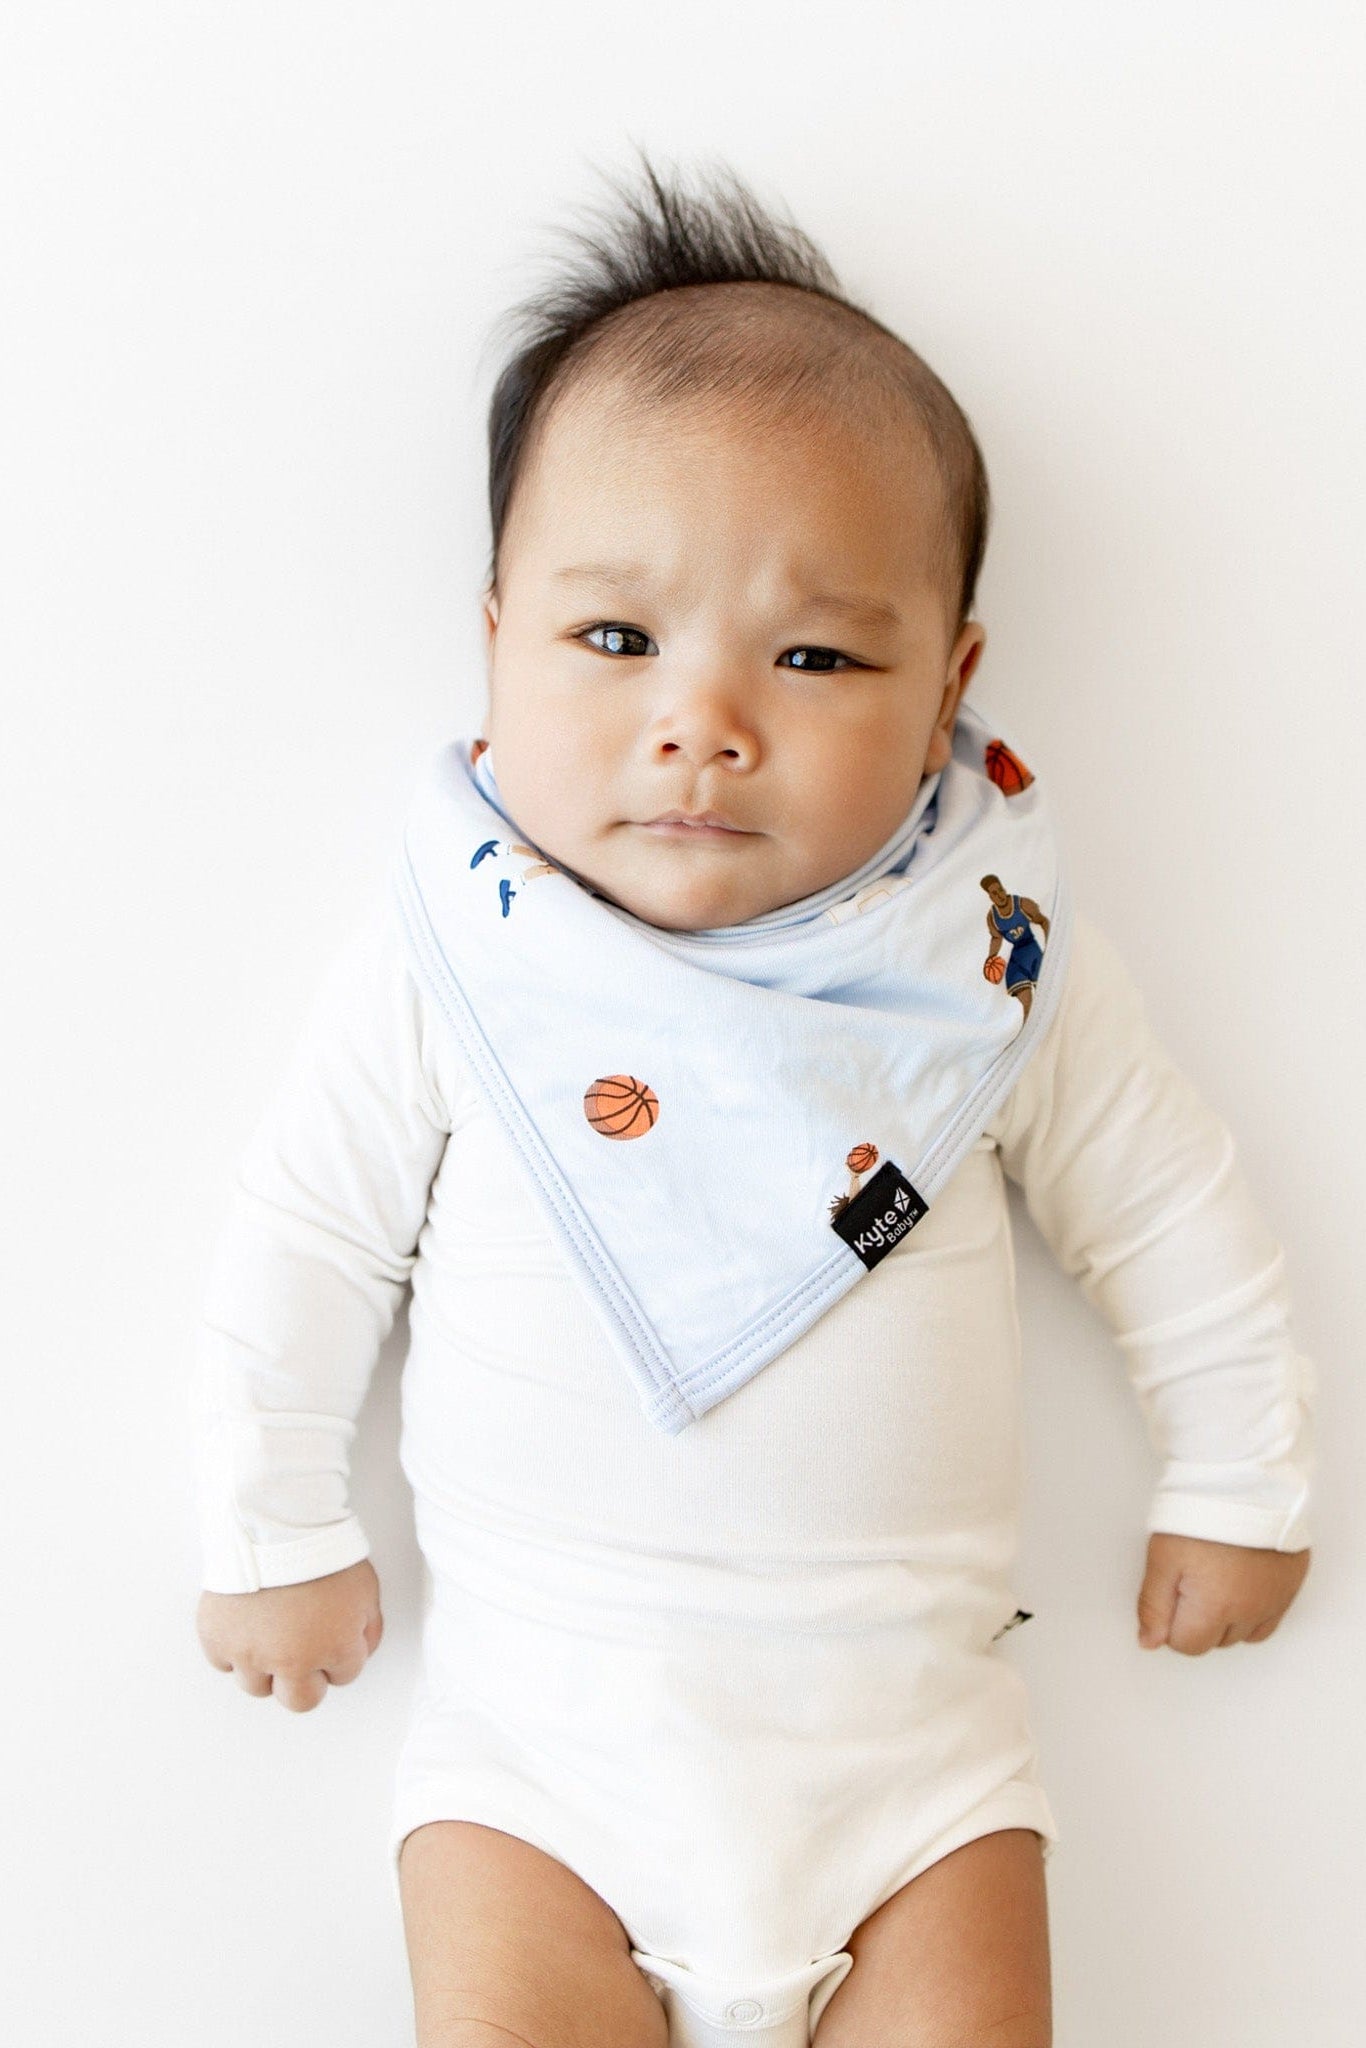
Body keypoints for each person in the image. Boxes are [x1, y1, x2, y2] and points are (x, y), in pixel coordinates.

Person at [194, 147, 1314, 2048]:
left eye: (813, 654)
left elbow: (1165, 1208)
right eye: (615, 639)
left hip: (918, 1773)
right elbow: (310, 1232)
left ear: (950, 680)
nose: (701, 720)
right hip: (538, 1765)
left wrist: (1238, 1469)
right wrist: (270, 1521)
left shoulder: (984, 969)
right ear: (492, 634)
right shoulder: (462, 959)